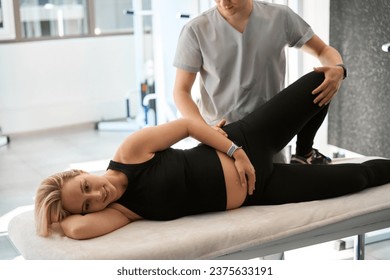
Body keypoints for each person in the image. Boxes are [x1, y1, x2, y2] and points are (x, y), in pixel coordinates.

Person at [35, 72, 389, 240]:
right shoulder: (121, 212)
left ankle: (304, 151)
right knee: (360, 178)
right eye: (86, 204)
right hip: (262, 190)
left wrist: (236, 152)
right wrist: (53, 213)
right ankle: (303, 162)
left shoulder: (130, 152)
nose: (97, 196)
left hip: (248, 140)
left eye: (85, 187)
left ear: (83, 172)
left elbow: (188, 126)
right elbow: (76, 229)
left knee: (319, 82)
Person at [173, 0, 347, 165]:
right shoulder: (195, 30)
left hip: (270, 130)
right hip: (224, 135)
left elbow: (322, 50)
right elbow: (181, 91)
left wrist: (339, 69)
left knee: (323, 76)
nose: (224, 3)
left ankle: (304, 153)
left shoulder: (280, 17)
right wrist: (204, 131)